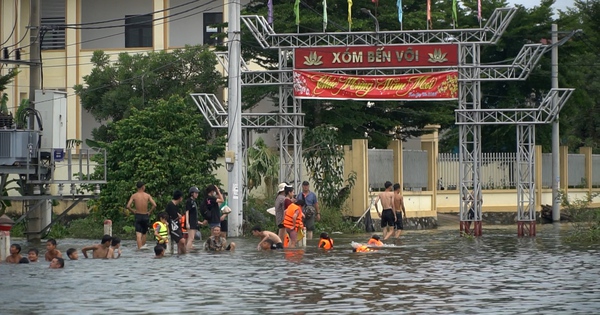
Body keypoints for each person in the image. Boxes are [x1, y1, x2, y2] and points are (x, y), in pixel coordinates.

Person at [126, 181, 157, 250]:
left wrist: (133, 211)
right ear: (143, 187)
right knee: (144, 233)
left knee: (138, 234)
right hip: (145, 215)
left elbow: (128, 206)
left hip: (138, 215)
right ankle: (143, 247)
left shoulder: (134, 196)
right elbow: (154, 205)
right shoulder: (147, 195)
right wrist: (149, 212)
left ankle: (139, 248)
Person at [165, 190, 186, 255]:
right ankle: (183, 254)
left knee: (180, 243)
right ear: (180, 198)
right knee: (182, 241)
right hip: (172, 227)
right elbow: (171, 217)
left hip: (177, 226)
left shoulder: (176, 205)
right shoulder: (170, 205)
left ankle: (181, 255)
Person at [185, 186, 201, 250]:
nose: (197, 194)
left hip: (194, 222)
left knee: (192, 239)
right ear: (192, 193)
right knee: (191, 238)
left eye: (197, 193)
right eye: (196, 193)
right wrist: (187, 223)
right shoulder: (189, 201)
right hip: (190, 222)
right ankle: (187, 250)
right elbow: (187, 212)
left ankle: (190, 248)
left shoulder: (194, 202)